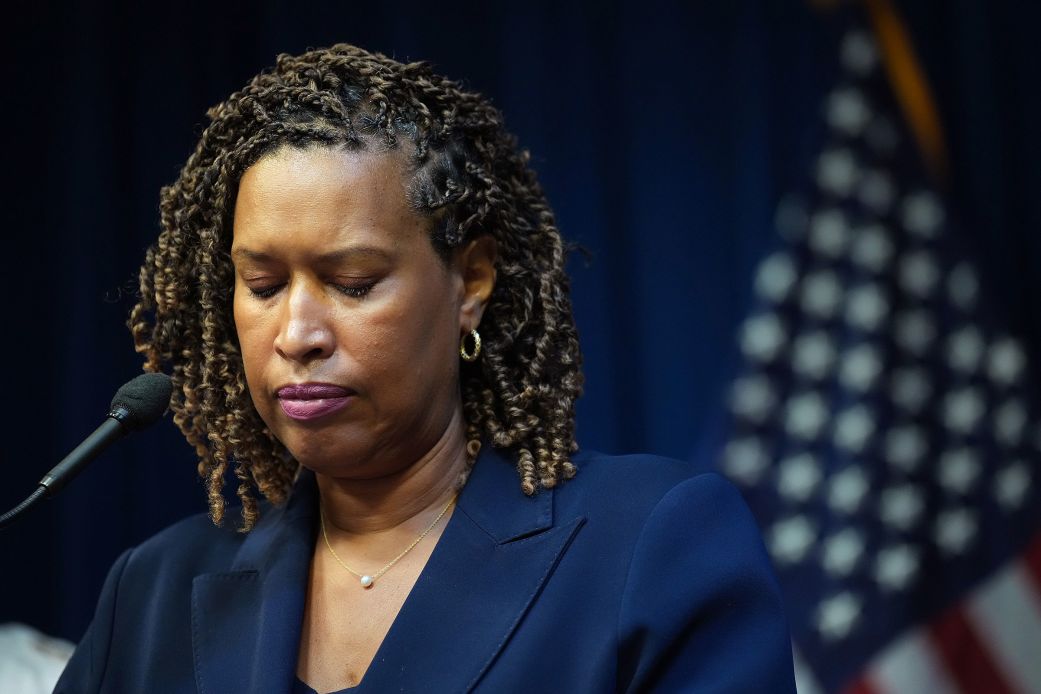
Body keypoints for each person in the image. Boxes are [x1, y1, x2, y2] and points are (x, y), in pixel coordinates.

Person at [54, 44, 795, 693]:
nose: (298, 334)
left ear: (470, 281)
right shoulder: (152, 592)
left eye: (352, 283)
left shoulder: (649, 544)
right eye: (263, 285)